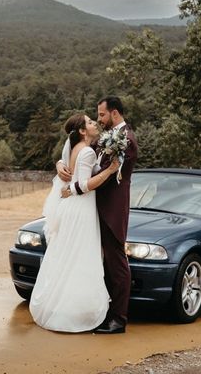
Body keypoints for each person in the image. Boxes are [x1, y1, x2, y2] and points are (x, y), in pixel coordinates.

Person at [29, 113, 119, 333]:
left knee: (67, 256)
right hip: (81, 209)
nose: (94, 124)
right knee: (81, 257)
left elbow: (66, 168)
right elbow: (85, 184)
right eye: (89, 122)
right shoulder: (87, 151)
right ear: (81, 131)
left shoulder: (71, 148)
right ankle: (76, 314)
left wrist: (60, 164)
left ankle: (59, 308)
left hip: (70, 208)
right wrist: (110, 170)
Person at [57, 96, 138, 334]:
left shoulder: (127, 141)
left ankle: (118, 319)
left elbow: (105, 177)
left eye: (101, 115)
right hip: (95, 209)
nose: (99, 119)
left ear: (114, 114)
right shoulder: (106, 138)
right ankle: (101, 312)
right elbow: (80, 153)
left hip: (112, 210)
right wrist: (59, 163)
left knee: (116, 265)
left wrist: (73, 189)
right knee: (100, 263)